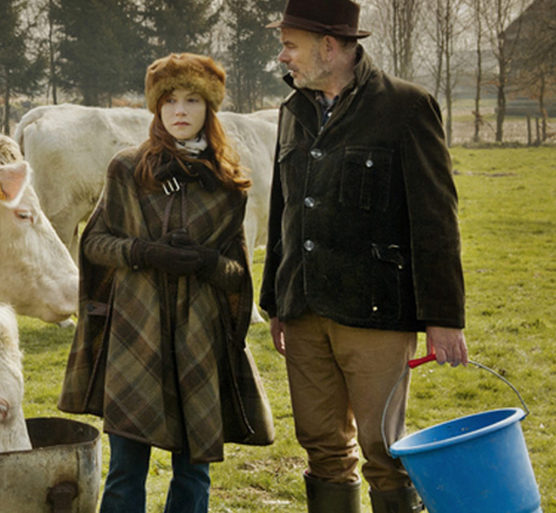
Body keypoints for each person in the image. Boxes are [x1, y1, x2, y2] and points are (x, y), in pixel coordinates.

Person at [260, 0, 470, 512]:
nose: (283, 56)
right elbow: (283, 212)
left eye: (290, 45)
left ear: (329, 46)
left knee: (383, 450)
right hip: (303, 309)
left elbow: (435, 217)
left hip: (375, 310)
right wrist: (275, 301)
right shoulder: (294, 110)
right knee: (322, 445)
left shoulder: (406, 106)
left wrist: (443, 317)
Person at [59, 53, 274, 513]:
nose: (180, 110)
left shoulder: (227, 184)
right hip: (135, 339)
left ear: (208, 108)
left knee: (194, 473)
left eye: (192, 100)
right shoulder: (127, 169)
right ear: (156, 108)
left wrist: (206, 261)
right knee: (125, 471)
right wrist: (142, 252)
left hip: (199, 339)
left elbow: (238, 272)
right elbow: (94, 242)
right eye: (170, 100)